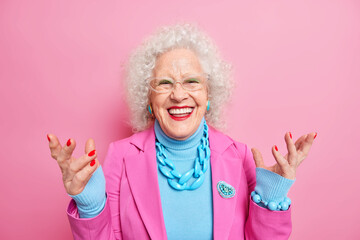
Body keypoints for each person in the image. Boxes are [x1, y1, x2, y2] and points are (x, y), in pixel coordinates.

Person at [47, 23, 316, 240]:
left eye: (191, 82)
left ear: (209, 94)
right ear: (149, 100)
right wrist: (90, 207)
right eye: (164, 83)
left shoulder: (239, 156)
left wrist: (271, 198)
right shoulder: (121, 156)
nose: (178, 95)